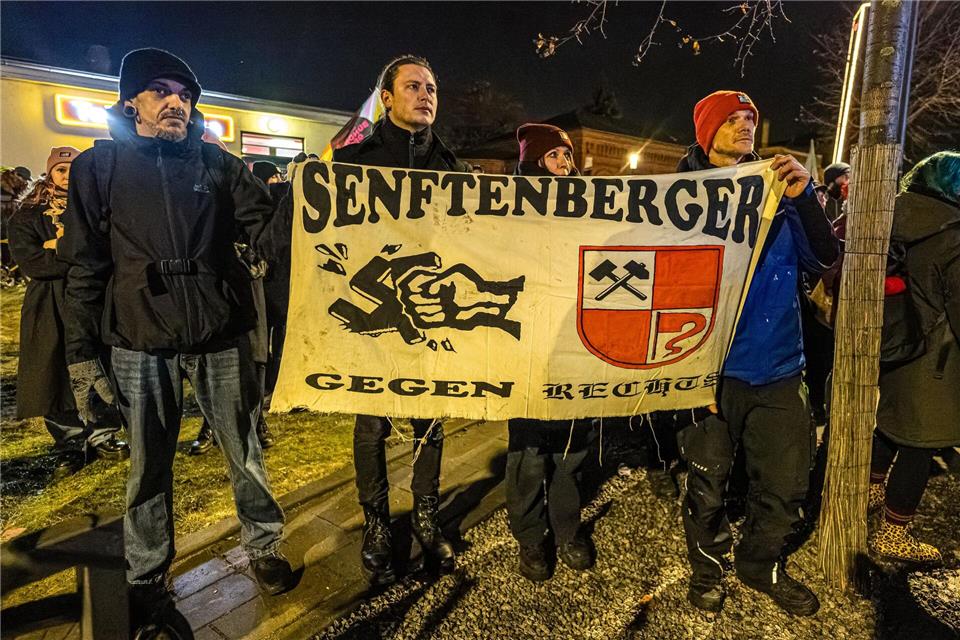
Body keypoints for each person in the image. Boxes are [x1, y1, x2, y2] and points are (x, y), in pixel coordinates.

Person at [58, 48, 294, 628]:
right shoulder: (100, 167)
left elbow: (265, 224)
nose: (176, 103)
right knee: (148, 465)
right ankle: (145, 575)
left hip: (219, 332)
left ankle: (263, 545)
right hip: (138, 339)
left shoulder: (216, 164)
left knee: (244, 448)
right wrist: (82, 356)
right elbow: (84, 264)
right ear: (131, 100)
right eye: (161, 91)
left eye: (185, 95)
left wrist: (299, 204)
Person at [675, 90, 838, 616]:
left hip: (780, 367)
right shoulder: (679, 197)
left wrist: (804, 196)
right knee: (708, 483)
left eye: (750, 117)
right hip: (711, 371)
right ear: (707, 131)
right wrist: (690, 379)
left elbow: (826, 256)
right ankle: (708, 567)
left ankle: (759, 562)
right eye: (732, 119)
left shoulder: (777, 188)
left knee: (789, 481)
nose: (746, 125)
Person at [333, 54, 470, 586]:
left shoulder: (453, 170)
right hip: (374, 318)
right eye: (413, 86)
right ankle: (376, 524)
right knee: (371, 426)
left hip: (433, 323)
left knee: (429, 422)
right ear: (386, 99)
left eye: (432, 87)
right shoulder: (353, 164)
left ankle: (425, 515)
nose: (426, 95)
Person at [506, 124, 595, 582]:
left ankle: (567, 528)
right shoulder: (504, 208)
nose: (566, 162)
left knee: (571, 445)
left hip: (570, 340)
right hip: (522, 343)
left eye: (568, 154)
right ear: (536, 160)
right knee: (526, 449)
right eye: (556, 155)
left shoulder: (584, 204)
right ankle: (529, 536)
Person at [8, 147, 128, 474]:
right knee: (54, 372)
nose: (68, 176)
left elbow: (107, 251)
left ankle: (103, 433)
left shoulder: (95, 208)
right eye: (62, 170)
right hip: (50, 303)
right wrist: (69, 251)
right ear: (50, 174)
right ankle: (69, 442)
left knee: (98, 362)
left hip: (93, 299)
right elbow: (32, 262)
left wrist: (57, 246)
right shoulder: (28, 215)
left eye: (74, 170)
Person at [868, 151, 960, 563]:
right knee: (922, 444)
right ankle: (894, 532)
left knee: (892, 426)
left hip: (896, 339)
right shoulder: (953, 232)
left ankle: (867, 491)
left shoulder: (893, 216)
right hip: (935, 356)